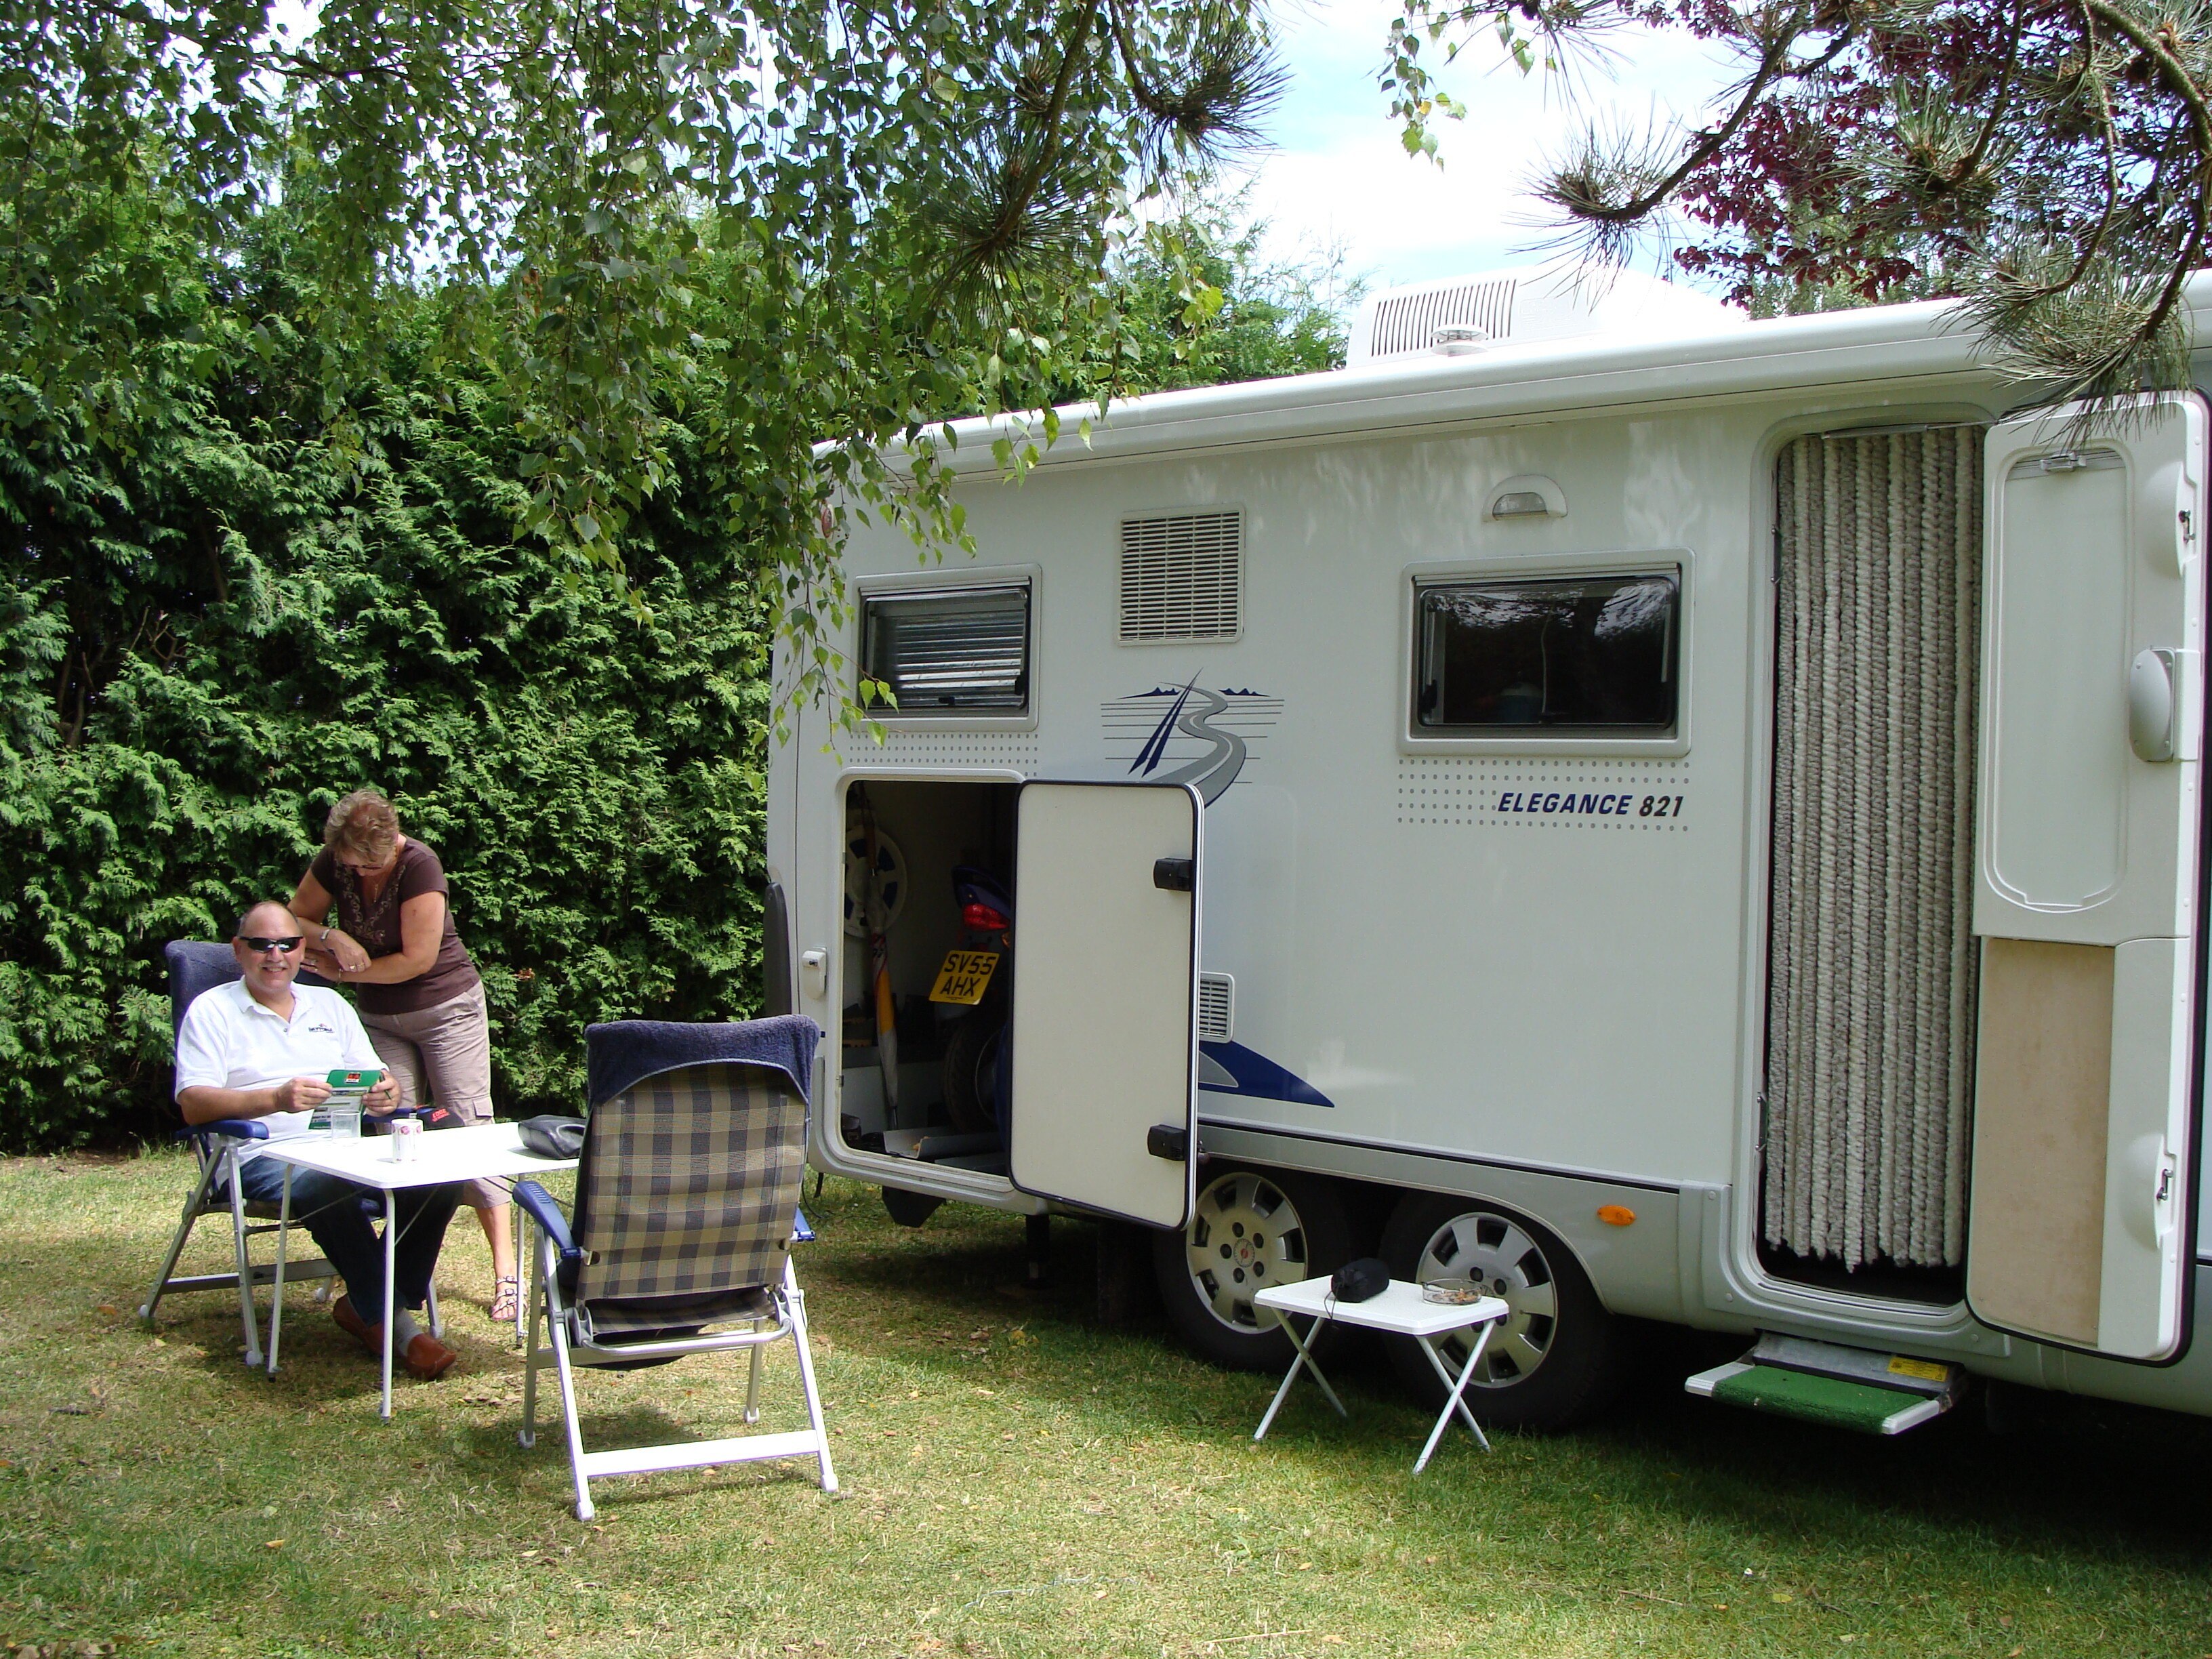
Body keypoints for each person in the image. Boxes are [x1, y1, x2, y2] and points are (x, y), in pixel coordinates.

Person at [174, 901, 461, 1380]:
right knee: (324, 1183)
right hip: (258, 1153)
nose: (275, 955)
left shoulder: (328, 1005)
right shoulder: (213, 1010)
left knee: (442, 1181)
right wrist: (274, 1098)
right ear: (238, 950)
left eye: (287, 944)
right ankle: (396, 1326)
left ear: (301, 949)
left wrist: (386, 1094)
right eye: (262, 944)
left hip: (343, 1144)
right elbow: (193, 1104)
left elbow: (378, 1078)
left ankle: (371, 1304)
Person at [289, 790, 518, 1322]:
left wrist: (348, 968)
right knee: (397, 1134)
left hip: (446, 1009)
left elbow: (417, 960)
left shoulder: (420, 866)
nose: (362, 876)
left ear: (392, 843)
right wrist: (331, 935)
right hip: (378, 1016)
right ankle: (392, 1276)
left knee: (467, 1127)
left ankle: (506, 1272)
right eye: (353, 866)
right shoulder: (333, 859)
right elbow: (292, 918)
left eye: (371, 865)